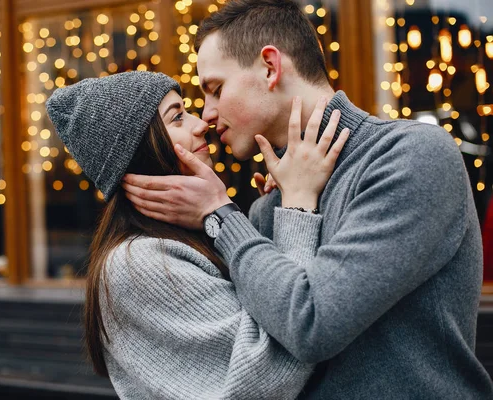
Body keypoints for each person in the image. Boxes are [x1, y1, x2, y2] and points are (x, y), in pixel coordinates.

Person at [121, 1, 493, 398]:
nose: (208, 114)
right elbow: (267, 350)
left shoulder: (412, 156)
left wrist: (220, 217)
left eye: (215, 89)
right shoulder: (269, 205)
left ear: (270, 67)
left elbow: (312, 324)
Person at [45, 71, 348, 399]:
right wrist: (297, 205)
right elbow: (262, 376)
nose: (200, 123)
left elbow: (263, 308)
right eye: (177, 117)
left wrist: (268, 216)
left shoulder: (187, 232)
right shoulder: (137, 264)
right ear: (143, 149)